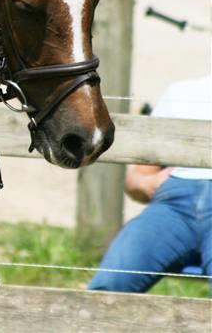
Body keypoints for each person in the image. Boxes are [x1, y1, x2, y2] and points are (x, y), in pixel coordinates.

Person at [88, 74, 212, 294]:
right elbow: (136, 179)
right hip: (173, 204)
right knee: (108, 286)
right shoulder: (181, 93)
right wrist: (152, 183)